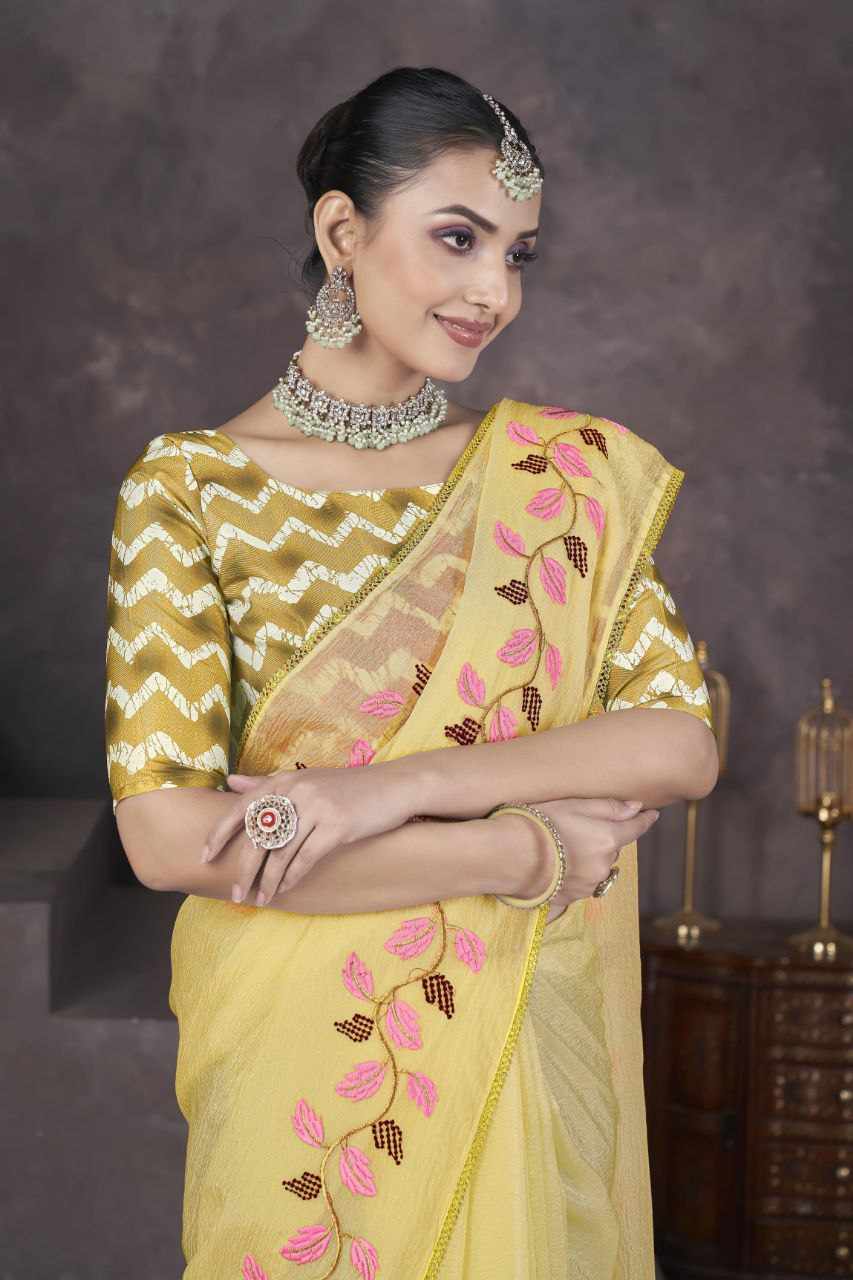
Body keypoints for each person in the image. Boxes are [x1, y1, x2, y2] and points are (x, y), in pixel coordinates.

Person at [104, 67, 717, 1280]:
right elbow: (171, 839)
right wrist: (519, 851)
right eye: (457, 237)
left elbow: (677, 737)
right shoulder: (191, 488)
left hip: (510, 1036)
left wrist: (385, 790)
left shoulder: (554, 478)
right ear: (342, 232)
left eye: (517, 253)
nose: (495, 290)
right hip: (299, 1074)